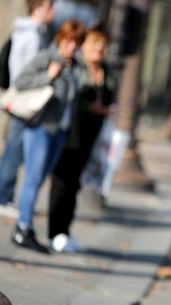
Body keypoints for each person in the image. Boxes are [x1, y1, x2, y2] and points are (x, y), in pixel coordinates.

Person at [11, 20, 85, 253]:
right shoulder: (47, 57)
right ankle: (22, 228)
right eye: (68, 41)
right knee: (32, 178)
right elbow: (21, 82)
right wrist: (48, 76)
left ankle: (26, 226)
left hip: (61, 131)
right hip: (41, 127)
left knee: (40, 179)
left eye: (76, 42)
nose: (71, 46)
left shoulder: (75, 65)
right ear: (60, 39)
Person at [48, 25, 114, 253]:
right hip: (70, 136)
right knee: (62, 183)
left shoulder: (105, 71)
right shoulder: (77, 68)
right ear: (83, 45)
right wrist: (91, 107)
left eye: (103, 44)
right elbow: (71, 99)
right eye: (95, 42)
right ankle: (54, 233)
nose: (99, 48)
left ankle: (65, 232)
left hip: (91, 139)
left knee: (75, 184)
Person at [0, 0, 55, 217]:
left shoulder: (29, 31)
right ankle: (4, 197)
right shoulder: (32, 35)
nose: (54, 10)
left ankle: (3, 194)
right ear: (38, 8)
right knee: (15, 150)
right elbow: (27, 75)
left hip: (20, 100)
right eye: (50, 5)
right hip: (25, 103)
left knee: (13, 148)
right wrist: (48, 75)